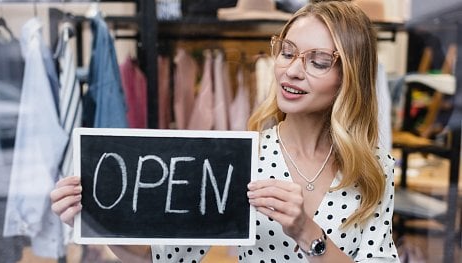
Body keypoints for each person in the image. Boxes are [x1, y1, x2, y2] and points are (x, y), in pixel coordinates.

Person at [50, 0, 400, 262]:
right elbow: (165, 255)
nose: (292, 70)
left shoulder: (374, 168)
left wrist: (306, 232)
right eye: (287, 52)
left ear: (349, 77)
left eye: (318, 61)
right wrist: (105, 217)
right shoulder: (240, 158)